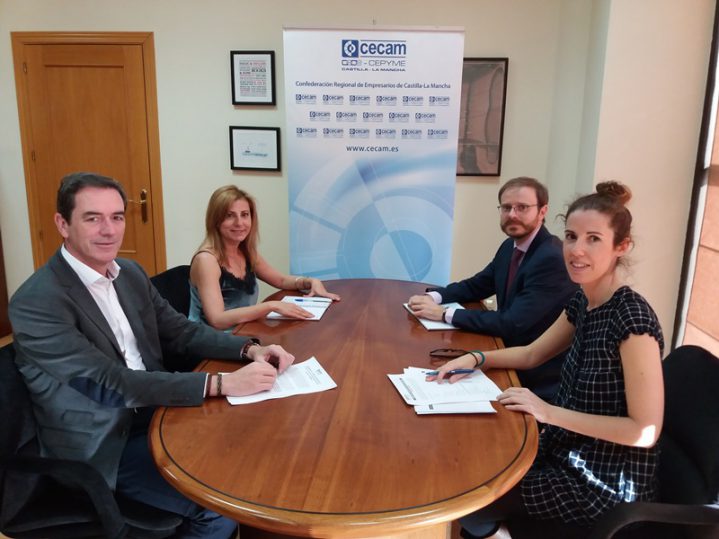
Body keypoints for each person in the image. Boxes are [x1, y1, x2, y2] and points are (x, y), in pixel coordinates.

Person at [9, 172, 297, 539]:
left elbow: (181, 330)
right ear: (62, 224)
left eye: (117, 217)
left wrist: (250, 349)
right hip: (104, 443)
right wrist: (221, 383)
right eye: (92, 218)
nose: (109, 230)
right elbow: (109, 384)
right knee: (218, 503)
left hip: (156, 411)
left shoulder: (128, 273)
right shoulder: (38, 301)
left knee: (253, 449)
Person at [431, 181, 665, 537]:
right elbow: (532, 353)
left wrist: (546, 412)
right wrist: (476, 359)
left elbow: (643, 431)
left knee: (469, 494)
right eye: (571, 236)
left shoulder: (633, 320)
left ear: (622, 246)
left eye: (593, 239)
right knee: (470, 464)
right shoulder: (583, 300)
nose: (576, 250)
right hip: (563, 450)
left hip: (600, 482)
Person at [407, 176, 577, 400]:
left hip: (534, 376)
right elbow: (478, 285)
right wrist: (435, 297)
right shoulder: (510, 245)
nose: (512, 214)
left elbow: (512, 323)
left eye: (522, 207)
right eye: (506, 208)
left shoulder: (551, 258)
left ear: (542, 211)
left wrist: (444, 314)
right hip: (504, 353)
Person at [189, 185, 340, 330]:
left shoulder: (245, 251)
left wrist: (308, 281)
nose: (239, 223)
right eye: (230, 216)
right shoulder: (206, 260)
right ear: (215, 221)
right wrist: (270, 306)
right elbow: (217, 320)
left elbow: (280, 280)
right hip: (211, 339)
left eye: (245, 215)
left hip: (244, 330)